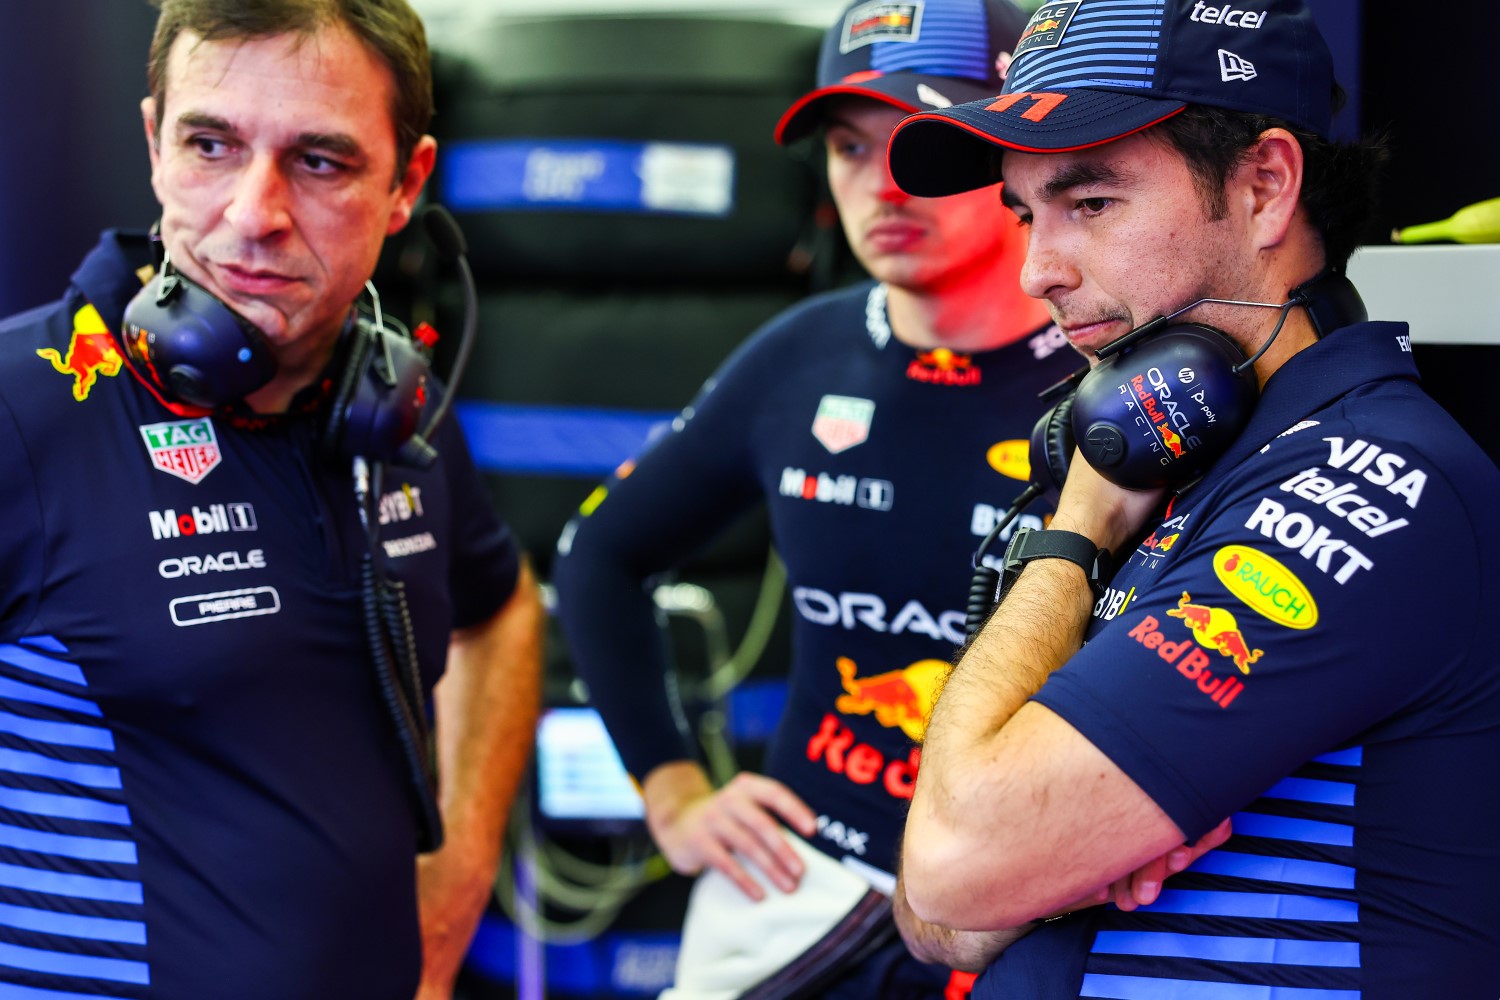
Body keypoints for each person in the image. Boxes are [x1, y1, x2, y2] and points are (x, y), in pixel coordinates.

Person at [881, 0, 1500, 996]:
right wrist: (1033, 860)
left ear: (1264, 187)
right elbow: (935, 917)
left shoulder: (1366, 478)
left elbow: (954, 865)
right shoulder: (1177, 468)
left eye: (1090, 203)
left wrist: (1073, 530)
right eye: (1025, 213)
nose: (1040, 269)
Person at [0, 2, 543, 998]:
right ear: (154, 140)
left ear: (406, 185)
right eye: (210, 143)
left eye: (321, 161)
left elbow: (502, 610)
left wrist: (459, 870)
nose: (254, 212)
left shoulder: (394, 414)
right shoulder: (24, 410)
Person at [548, 1, 1092, 995]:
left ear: (1017, 144)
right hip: (803, 870)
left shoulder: (1114, 377)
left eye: (923, 143)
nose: (881, 185)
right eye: (848, 147)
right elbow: (598, 555)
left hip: (1027, 904)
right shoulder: (800, 353)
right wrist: (671, 793)